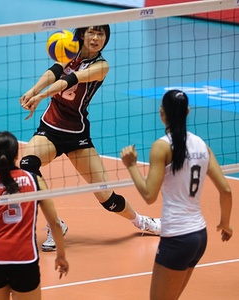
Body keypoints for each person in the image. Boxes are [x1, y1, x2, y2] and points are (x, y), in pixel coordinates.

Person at [19, 25, 161, 252]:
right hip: (50, 129)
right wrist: (32, 90)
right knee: (27, 167)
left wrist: (40, 97)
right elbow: (55, 71)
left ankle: (142, 221)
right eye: (92, 33)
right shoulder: (69, 52)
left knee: (108, 199)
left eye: (101, 34)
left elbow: (70, 80)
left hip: (77, 135)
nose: (96, 38)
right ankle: (56, 226)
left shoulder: (101, 66)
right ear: (82, 35)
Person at [120, 90, 233, 300]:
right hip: (199, 236)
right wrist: (225, 223)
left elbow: (148, 195)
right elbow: (226, 190)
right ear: (187, 111)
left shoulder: (161, 146)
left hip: (177, 238)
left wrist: (131, 166)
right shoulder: (202, 145)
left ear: (162, 113)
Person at [0, 131, 69, 300]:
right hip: (25, 260)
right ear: (17, 154)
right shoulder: (34, 181)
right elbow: (54, 222)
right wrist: (61, 255)